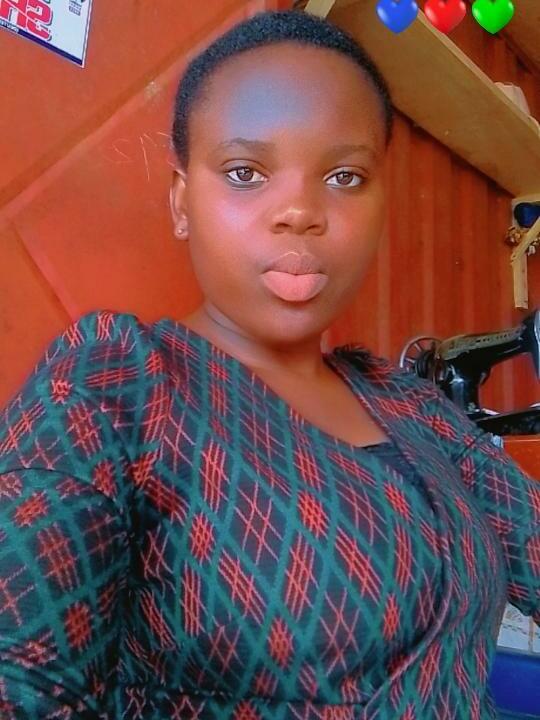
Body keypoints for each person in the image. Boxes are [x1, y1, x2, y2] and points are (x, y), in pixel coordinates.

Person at [0, 9, 538, 720]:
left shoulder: (409, 405)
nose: (299, 212)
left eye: (344, 176)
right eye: (245, 172)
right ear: (182, 202)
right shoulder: (116, 385)